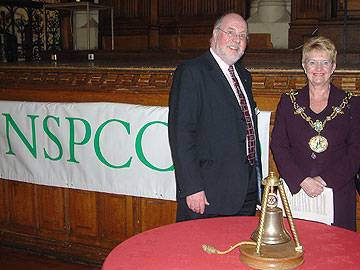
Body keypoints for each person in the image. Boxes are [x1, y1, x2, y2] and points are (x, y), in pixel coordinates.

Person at [168, 12, 262, 222]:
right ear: (214, 35)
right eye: (230, 32)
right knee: (201, 253)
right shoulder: (192, 72)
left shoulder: (244, 76)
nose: (237, 40)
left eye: (243, 35)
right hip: (208, 193)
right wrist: (192, 188)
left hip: (245, 192)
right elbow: (181, 135)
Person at [271, 36, 360, 231]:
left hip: (337, 192)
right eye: (312, 62)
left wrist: (324, 180)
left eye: (325, 62)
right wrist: (302, 180)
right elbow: (279, 146)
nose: (318, 69)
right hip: (297, 191)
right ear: (304, 65)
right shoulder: (288, 101)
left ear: (333, 66)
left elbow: (356, 152)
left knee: (337, 253)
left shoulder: (352, 103)